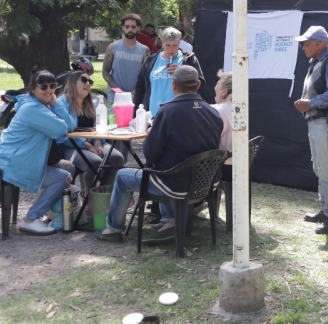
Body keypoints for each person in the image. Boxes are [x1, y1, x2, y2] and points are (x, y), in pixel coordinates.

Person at [96, 66, 223, 244]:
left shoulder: (168, 112)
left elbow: (150, 153)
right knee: (167, 165)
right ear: (199, 85)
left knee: (123, 176)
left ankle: (112, 229)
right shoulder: (213, 112)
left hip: (174, 184)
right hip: (206, 183)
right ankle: (169, 221)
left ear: (173, 86)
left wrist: (150, 135)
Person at [0, 70, 77, 235]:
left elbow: (70, 126)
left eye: (52, 86)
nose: (49, 90)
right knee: (63, 177)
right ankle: (31, 219)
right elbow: (61, 128)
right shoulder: (32, 108)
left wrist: (55, 104)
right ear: (33, 89)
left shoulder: (38, 105)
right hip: (12, 164)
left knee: (69, 168)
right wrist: (55, 105)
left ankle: (50, 212)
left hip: (22, 160)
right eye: (43, 86)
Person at [293, 26, 328, 235]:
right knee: (320, 168)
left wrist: (310, 103)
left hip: (324, 123)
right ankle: (327, 210)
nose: (303, 47)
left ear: (319, 43)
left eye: (306, 43)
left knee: (327, 170)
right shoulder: (319, 62)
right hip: (317, 122)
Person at [56, 71, 125, 195]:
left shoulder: (93, 102)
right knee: (94, 162)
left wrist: (98, 142)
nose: (88, 83)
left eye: (90, 81)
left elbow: (100, 126)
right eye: (83, 80)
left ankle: (103, 196)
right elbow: (60, 135)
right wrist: (87, 145)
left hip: (94, 142)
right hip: (70, 146)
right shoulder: (61, 104)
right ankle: (90, 200)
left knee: (117, 158)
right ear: (72, 82)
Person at [134, 27, 204, 118]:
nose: (171, 49)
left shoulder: (188, 59)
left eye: (174, 45)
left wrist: (182, 72)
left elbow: (200, 83)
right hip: (153, 115)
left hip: (181, 115)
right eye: (167, 45)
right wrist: (136, 113)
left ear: (179, 44)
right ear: (162, 43)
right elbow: (140, 87)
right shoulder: (151, 60)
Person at [102, 13, 150, 104]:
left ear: (138, 28)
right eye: (127, 26)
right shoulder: (112, 47)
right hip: (115, 96)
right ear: (122, 27)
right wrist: (118, 91)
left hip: (136, 97)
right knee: (115, 119)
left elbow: (146, 75)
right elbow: (105, 72)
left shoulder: (144, 50)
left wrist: (135, 92)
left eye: (133, 27)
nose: (130, 29)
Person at [211, 70, 233, 180]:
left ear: (224, 91)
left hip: (222, 166)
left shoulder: (218, 111)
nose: (215, 87)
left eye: (217, 84)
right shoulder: (239, 108)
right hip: (235, 162)